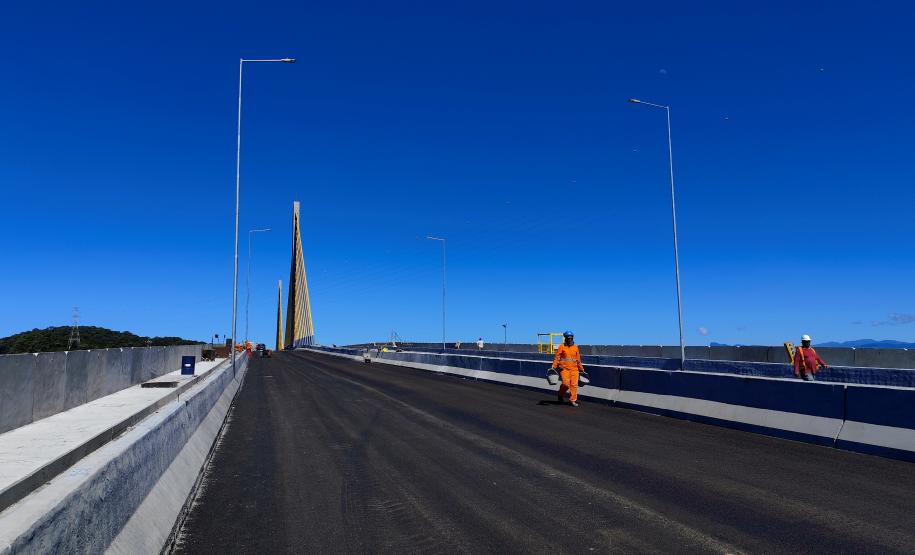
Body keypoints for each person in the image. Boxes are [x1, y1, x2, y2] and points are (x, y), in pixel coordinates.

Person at [551, 331, 584, 406]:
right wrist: (553, 366)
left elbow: (578, 359)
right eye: (568, 338)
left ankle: (572, 400)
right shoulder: (561, 347)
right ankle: (560, 394)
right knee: (566, 384)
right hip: (564, 369)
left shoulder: (575, 347)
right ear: (565, 338)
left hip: (574, 370)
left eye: (570, 338)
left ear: (572, 338)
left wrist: (581, 369)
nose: (569, 339)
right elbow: (557, 357)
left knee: (574, 385)